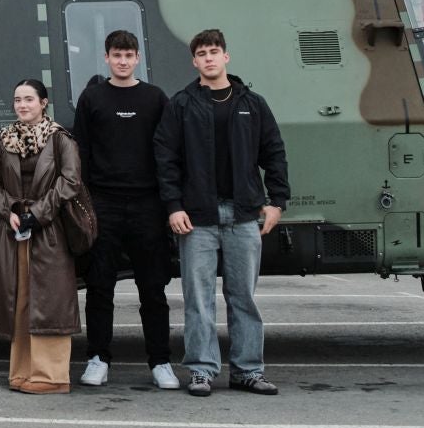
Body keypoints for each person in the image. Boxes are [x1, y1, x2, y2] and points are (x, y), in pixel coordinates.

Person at [156, 28, 290, 397]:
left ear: (226, 57)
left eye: (214, 51)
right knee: (198, 298)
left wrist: (277, 202)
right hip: (197, 218)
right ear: (194, 61)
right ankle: (201, 370)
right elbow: (165, 160)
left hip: (244, 215)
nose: (209, 58)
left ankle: (248, 370)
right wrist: (173, 207)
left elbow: (274, 153)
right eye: (202, 53)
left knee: (242, 296)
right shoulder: (181, 105)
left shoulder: (253, 103)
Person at [73, 29, 177, 390]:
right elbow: (81, 152)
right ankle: (98, 359)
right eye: (116, 55)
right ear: (106, 58)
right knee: (100, 286)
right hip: (104, 204)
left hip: (148, 204)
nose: (122, 60)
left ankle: (161, 361)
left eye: (128, 55)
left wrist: (168, 203)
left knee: (153, 289)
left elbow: (167, 153)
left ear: (137, 59)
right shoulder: (92, 98)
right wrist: (86, 202)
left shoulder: (155, 98)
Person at [0, 78, 83, 394]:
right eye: (17, 100)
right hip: (13, 229)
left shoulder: (61, 139)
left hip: (48, 230)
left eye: (28, 99)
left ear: (44, 103)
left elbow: (70, 182)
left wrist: (36, 214)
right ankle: (22, 371)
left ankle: (52, 376)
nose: (22, 105)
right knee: (20, 301)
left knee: (49, 302)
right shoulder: (3, 140)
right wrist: (8, 210)